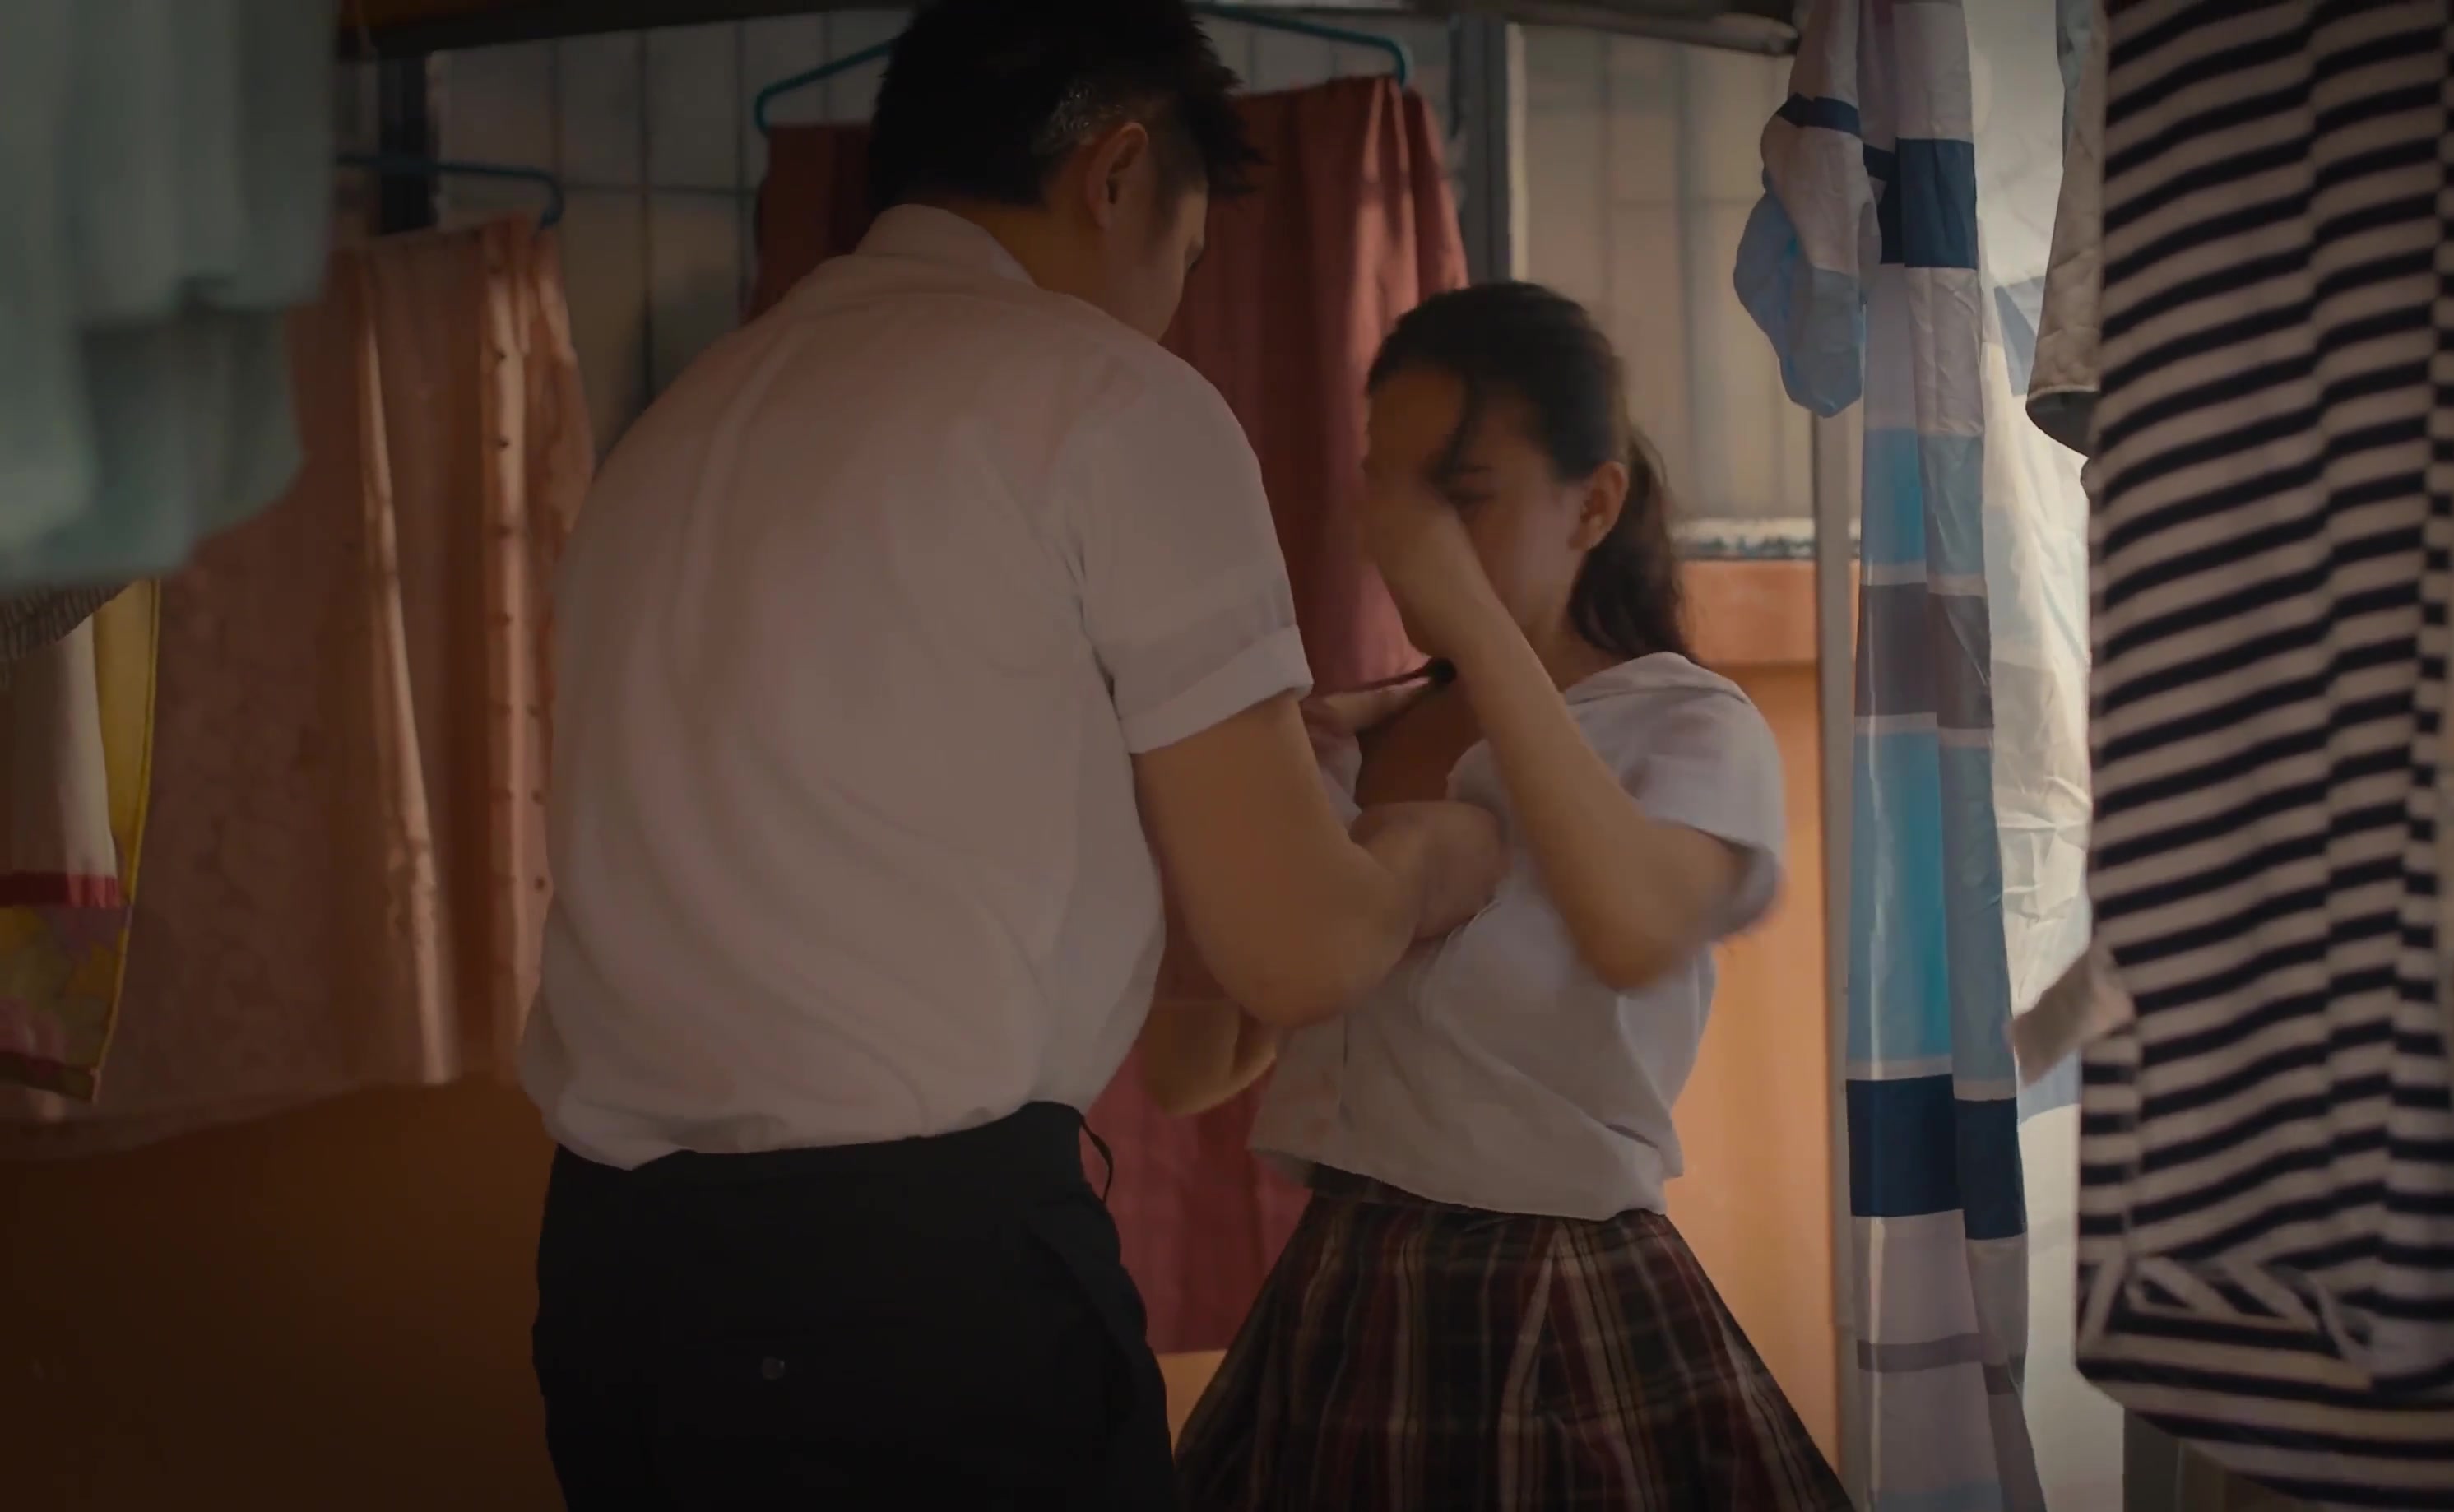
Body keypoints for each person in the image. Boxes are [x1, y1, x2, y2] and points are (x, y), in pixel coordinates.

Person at [517, 3, 1502, 1505]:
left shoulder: (677, 428)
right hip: (907, 1303)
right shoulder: (1109, 398)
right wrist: (1441, 850)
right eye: (1185, 255)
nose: (1170, 306)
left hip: (618, 1285)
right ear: (1116, 172)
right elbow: (1297, 949)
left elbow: (877, 781)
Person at [1160, 283, 1853, 1510]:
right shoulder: (1362, 738)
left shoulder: (1687, 726)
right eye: (1388, 490)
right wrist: (1251, 798)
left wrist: (1479, 635)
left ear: (1594, 504)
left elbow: (1636, 926)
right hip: (1339, 1297)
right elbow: (1194, 1068)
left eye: (1462, 494)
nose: (1405, 538)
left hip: (1557, 1301)